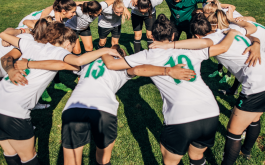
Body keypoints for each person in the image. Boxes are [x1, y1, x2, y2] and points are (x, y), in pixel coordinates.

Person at [14, 44, 195, 165]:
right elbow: (141, 69)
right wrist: (168, 71)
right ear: (121, 56)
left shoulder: (88, 63)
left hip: (74, 107)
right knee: (103, 157)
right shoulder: (122, 67)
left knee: (71, 157)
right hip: (103, 110)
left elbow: (61, 64)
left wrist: (29, 63)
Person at [99, 14, 243, 165]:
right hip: (210, 112)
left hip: (181, 117)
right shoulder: (191, 50)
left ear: (151, 37)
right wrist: (233, 32)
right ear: (173, 35)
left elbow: (112, 65)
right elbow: (222, 47)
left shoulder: (147, 54)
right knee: (196, 156)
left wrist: (103, 50)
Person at [0, 22, 122, 165]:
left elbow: (3, 35)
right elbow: (78, 61)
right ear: (66, 43)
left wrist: (11, 70)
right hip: (14, 111)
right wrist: (105, 50)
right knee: (28, 158)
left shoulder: (30, 44)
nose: (72, 49)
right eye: (72, 45)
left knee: (9, 152)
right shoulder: (60, 53)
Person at [151, 12, 262, 165]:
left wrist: (169, 45)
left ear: (196, 36)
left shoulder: (213, 40)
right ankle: (247, 151)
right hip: (261, 78)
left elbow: (207, 44)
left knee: (233, 132)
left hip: (256, 85)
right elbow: (251, 28)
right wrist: (254, 42)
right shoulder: (227, 30)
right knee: (254, 117)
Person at [131, 0, 213, 40]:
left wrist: (207, 9)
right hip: (175, 23)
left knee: (190, 43)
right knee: (172, 42)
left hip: (190, 23)